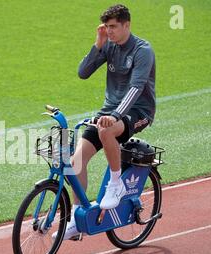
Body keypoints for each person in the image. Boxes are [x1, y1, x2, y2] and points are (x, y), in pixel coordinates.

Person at [56, 4, 156, 240]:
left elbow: (136, 87)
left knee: (106, 131)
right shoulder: (109, 45)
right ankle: (78, 218)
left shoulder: (143, 50)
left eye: (113, 27)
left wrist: (116, 116)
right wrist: (98, 44)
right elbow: (83, 72)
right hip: (109, 111)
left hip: (138, 111)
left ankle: (115, 183)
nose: (109, 31)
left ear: (126, 25)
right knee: (75, 161)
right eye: (106, 27)